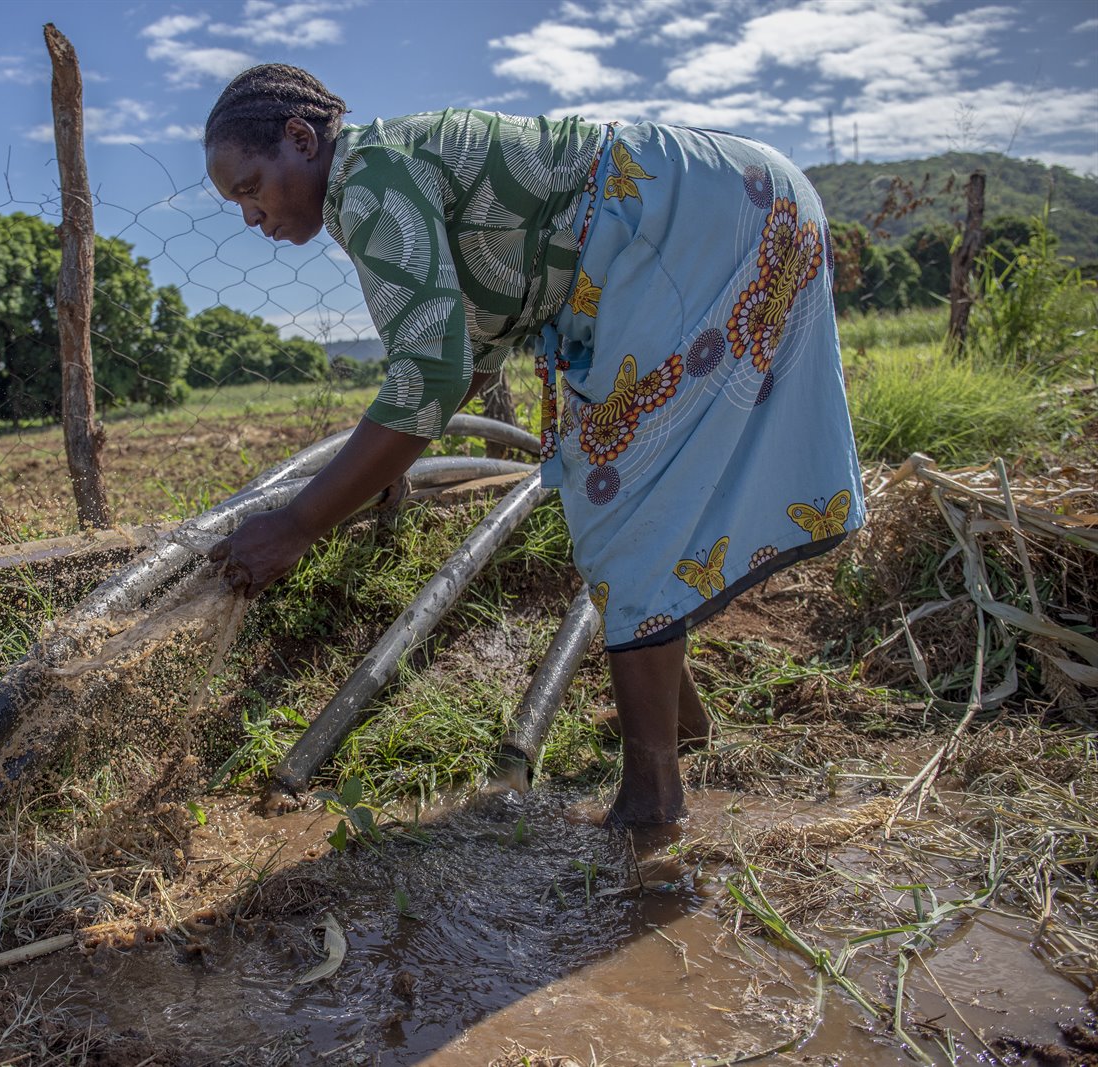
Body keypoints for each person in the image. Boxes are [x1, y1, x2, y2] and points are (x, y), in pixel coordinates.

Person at [203, 64, 865, 826]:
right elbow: (462, 353)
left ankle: (652, 801)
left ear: (299, 137)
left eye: (250, 187)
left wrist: (296, 525)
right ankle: (680, 728)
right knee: (607, 490)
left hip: (687, 228)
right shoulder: (381, 169)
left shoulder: (366, 180)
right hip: (715, 207)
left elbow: (432, 369)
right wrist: (389, 460)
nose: (251, 216)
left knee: (631, 504)